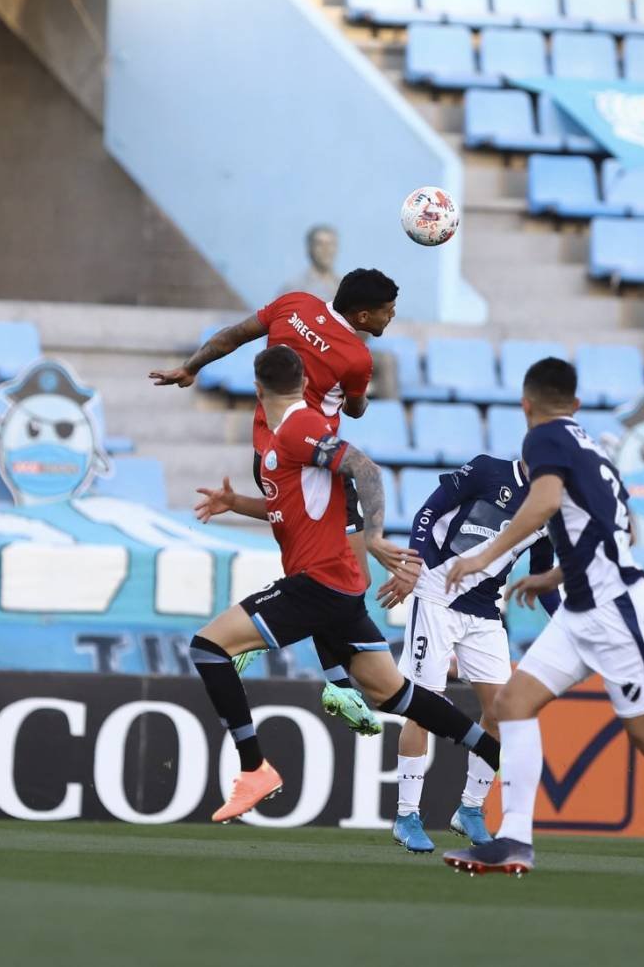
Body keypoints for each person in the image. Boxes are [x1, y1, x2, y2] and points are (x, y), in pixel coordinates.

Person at [189, 345, 504, 821]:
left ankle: (254, 769)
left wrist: (374, 535)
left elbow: (365, 468)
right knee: (393, 694)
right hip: (337, 589)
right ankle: (496, 752)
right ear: (301, 383)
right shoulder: (287, 437)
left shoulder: (299, 428)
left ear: (257, 389)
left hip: (317, 585)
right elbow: (290, 509)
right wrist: (237, 504)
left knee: (209, 648)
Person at [442, 357, 644, 876]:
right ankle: (514, 839)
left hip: (614, 610)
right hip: (581, 608)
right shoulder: (596, 452)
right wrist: (552, 577)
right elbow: (619, 533)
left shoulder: (543, 438)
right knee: (513, 704)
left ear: (526, 404)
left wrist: (485, 557)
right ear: (575, 404)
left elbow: (545, 501)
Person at [150, 268, 399, 736]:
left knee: (319, 573)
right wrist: (352, 392)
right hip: (314, 462)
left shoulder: (294, 304)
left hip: (267, 455)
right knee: (344, 577)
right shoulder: (357, 358)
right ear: (363, 314)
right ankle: (331, 680)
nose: (391, 317)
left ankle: (330, 679)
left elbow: (234, 335)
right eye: (387, 311)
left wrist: (192, 367)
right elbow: (356, 409)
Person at [377, 455, 560, 854]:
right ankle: (407, 815)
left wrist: (567, 621)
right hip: (436, 596)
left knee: (502, 711)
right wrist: (412, 565)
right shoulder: (486, 471)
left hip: (485, 611)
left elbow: (544, 576)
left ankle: (470, 809)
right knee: (423, 706)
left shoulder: (549, 508)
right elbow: (429, 511)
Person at [278, 225, 341, 303]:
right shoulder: (294, 289)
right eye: (319, 244)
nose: (326, 249)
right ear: (310, 248)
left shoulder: (346, 286)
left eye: (331, 244)